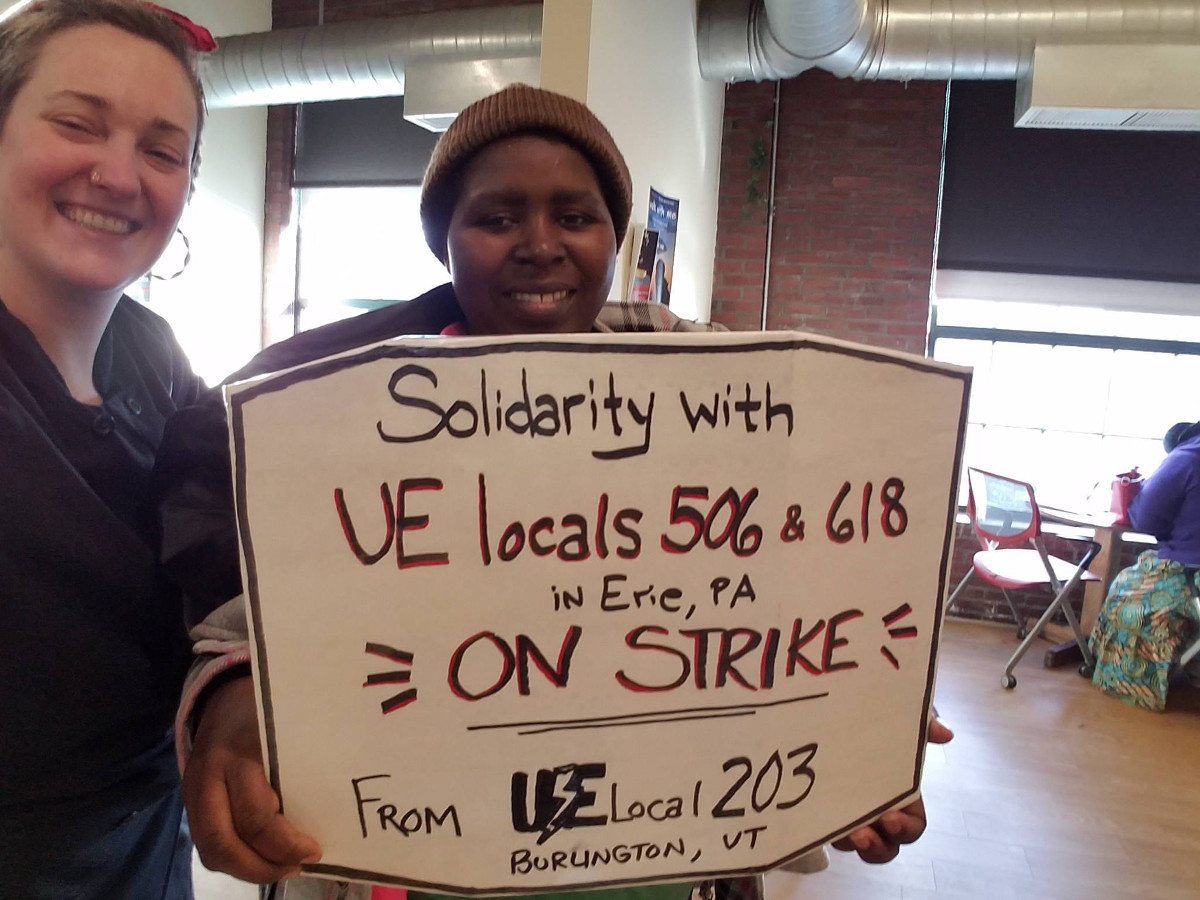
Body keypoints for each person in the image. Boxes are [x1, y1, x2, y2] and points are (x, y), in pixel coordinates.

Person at [161, 84, 950, 899]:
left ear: (614, 235)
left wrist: (858, 715)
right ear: (444, 242)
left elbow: (791, 586)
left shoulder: (717, 398)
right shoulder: (342, 405)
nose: (539, 245)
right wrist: (234, 699)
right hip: (416, 849)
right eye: (496, 219)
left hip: (663, 846)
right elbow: (244, 612)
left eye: (575, 217)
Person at [0, 1, 216, 896]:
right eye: (77, 124)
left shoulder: (154, 354)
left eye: (162, 151)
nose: (118, 173)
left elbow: (240, 527)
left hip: (147, 857)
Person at [1090, 421, 1200, 711]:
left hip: (1190, 571)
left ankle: (1130, 679)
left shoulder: (1185, 458)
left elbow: (1147, 517)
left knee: (1126, 591)